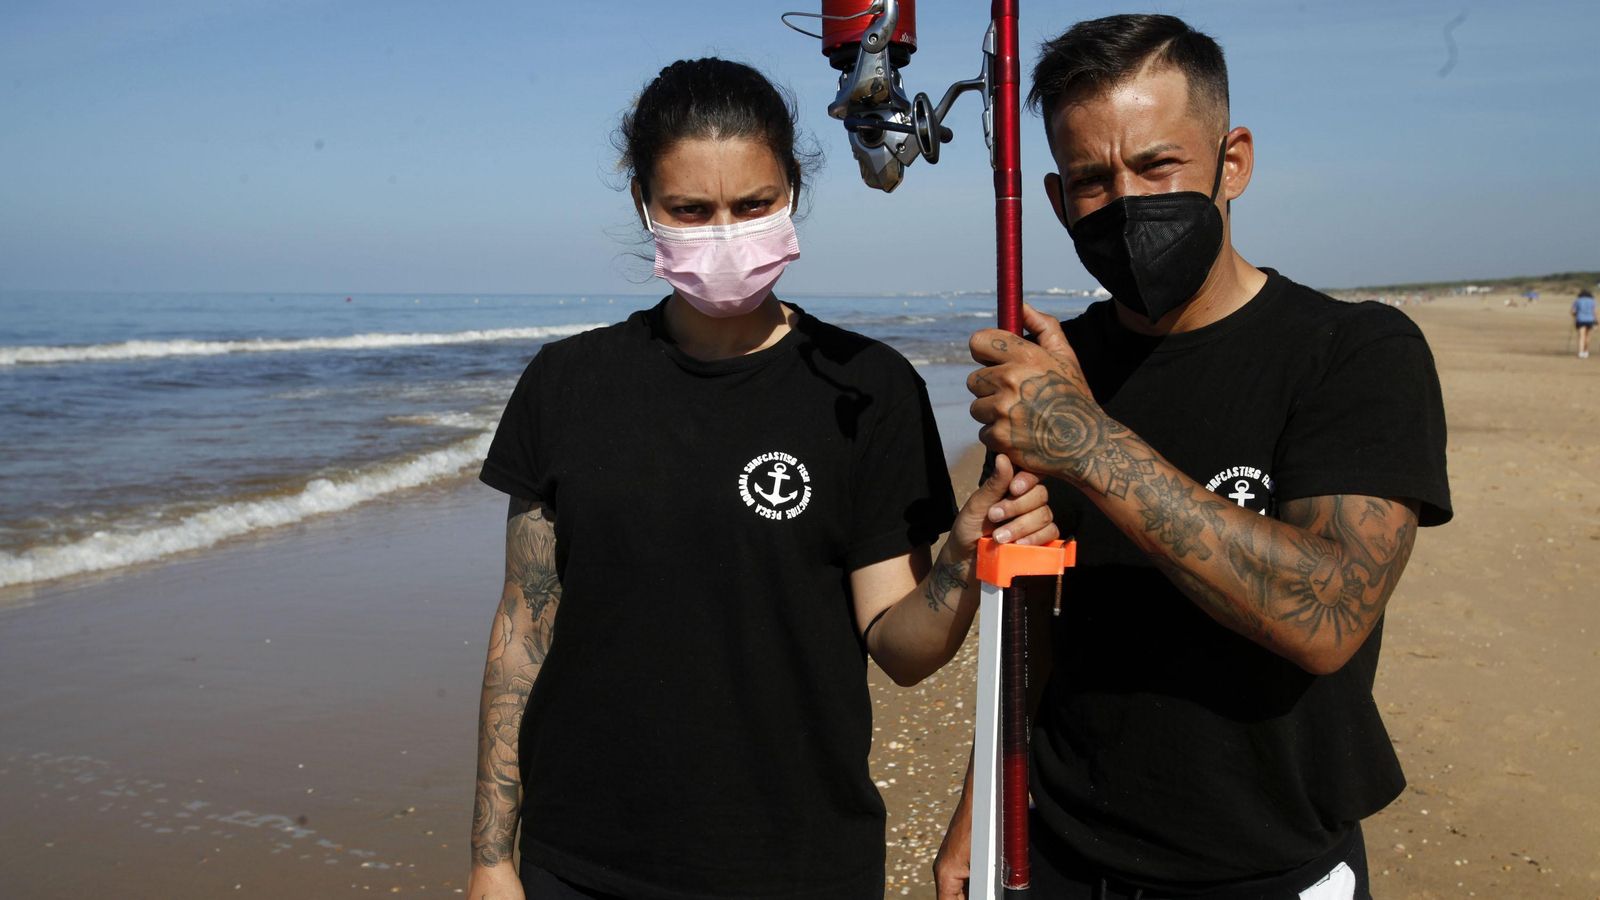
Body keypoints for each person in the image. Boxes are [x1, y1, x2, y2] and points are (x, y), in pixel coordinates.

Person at [466, 58, 1058, 900]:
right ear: (644, 203)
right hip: (581, 862)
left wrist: (962, 554)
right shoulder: (566, 385)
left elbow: (901, 648)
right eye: (689, 211)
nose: (724, 234)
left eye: (752, 205)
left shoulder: (867, 388)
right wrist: (492, 857)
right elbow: (521, 633)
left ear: (791, 193)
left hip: (799, 862)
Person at [935, 15, 1452, 900]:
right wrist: (978, 814)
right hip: (1064, 849)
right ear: (1056, 201)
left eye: (1158, 164)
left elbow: (1326, 614)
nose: (1127, 201)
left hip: (1265, 863)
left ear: (1233, 161)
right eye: (1093, 180)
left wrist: (1088, 444)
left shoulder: (1351, 350)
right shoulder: (1061, 362)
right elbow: (1039, 625)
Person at [1573, 288, 1595, 358]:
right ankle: (1586, 351)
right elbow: (1594, 312)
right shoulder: (1592, 301)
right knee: (1587, 336)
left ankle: (1580, 352)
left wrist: (1575, 315)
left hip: (1580, 319)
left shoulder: (1577, 301)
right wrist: (1597, 321)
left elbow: (1572, 311)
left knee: (1581, 337)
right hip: (1590, 320)